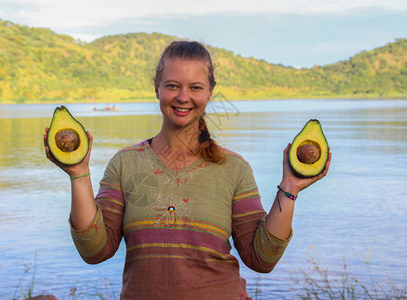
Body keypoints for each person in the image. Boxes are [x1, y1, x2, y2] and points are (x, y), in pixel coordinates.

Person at [44, 41, 331, 299]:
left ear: (209, 93)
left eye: (195, 87)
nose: (183, 97)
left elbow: (261, 259)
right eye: (172, 85)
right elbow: (95, 251)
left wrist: (290, 188)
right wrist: (78, 174)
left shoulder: (234, 168)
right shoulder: (124, 163)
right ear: (157, 87)